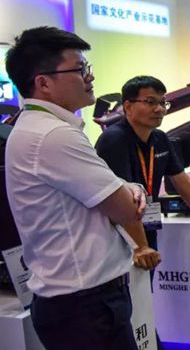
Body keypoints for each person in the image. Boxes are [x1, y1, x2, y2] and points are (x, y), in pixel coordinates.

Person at [4, 26, 146, 350]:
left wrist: (127, 187)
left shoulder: (37, 128)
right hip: (85, 306)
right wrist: (132, 189)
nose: (89, 77)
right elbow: (127, 209)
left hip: (78, 303)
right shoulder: (54, 136)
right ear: (43, 83)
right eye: (80, 69)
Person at [95, 76, 190, 269]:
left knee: (147, 285)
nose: (159, 109)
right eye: (150, 102)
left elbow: (181, 179)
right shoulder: (114, 140)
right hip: (119, 237)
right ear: (128, 106)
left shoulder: (159, 138)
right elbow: (121, 198)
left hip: (146, 226)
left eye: (162, 103)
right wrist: (139, 246)